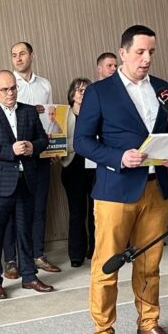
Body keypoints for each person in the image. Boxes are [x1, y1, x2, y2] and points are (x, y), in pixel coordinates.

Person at [74, 25, 168, 334]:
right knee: (107, 265)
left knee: (150, 263)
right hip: (115, 190)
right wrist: (118, 157)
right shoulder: (99, 91)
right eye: (140, 52)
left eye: (151, 52)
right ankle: (103, 333)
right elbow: (82, 141)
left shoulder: (163, 89)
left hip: (155, 188)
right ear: (123, 53)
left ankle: (148, 323)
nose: (146, 58)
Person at [0, 70, 53, 299]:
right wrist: (10, 150)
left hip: (25, 181)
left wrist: (32, 147)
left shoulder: (28, 111)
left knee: (24, 232)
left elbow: (43, 139)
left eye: (13, 88)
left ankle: (29, 276)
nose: (10, 93)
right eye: (4, 89)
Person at [0, 41, 60, 279]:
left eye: (22, 54)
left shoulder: (45, 84)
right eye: (14, 55)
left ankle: (37, 254)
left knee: (39, 207)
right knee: (13, 211)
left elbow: (51, 119)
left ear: (32, 55)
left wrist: (53, 149)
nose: (18, 58)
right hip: (15, 157)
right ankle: (11, 260)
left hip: (39, 152)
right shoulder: (5, 84)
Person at [60, 78, 94, 268]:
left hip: (95, 167)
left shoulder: (95, 112)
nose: (83, 94)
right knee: (76, 212)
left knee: (95, 212)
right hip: (72, 168)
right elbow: (58, 142)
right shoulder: (63, 114)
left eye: (87, 90)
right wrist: (80, 143)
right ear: (72, 94)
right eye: (79, 90)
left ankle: (95, 250)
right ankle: (76, 254)